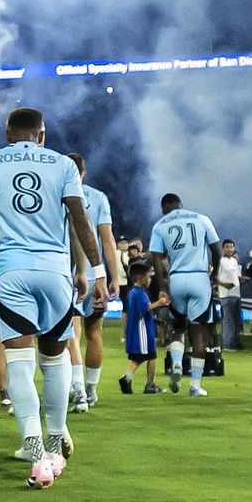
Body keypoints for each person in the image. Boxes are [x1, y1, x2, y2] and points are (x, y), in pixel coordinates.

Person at [0, 108, 105, 482]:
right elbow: (78, 218)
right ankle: (55, 449)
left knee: (20, 362)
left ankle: (35, 451)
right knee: (54, 361)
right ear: (42, 134)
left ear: (8, 133)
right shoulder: (63, 165)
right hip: (56, 274)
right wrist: (95, 271)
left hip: (12, 274)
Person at [148, 193, 222, 396]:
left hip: (177, 278)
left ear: (165, 207)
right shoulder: (201, 218)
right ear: (181, 204)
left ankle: (178, 364)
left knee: (178, 328)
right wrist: (214, 273)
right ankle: (195, 386)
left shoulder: (160, 225)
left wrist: (162, 286)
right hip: (199, 278)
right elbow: (217, 250)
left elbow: (155, 258)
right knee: (199, 333)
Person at [66, 152, 119, 412]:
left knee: (72, 334)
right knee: (94, 332)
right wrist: (113, 277)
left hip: (69, 274)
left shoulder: (58, 195)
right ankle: (90, 388)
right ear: (84, 173)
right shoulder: (98, 197)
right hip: (95, 276)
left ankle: (77, 390)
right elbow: (107, 239)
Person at [119, 260, 169, 393]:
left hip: (141, 330)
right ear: (141, 278)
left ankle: (129, 378)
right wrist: (160, 303)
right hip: (142, 332)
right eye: (149, 276)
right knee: (150, 356)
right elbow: (144, 309)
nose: (150, 279)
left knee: (141, 358)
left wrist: (156, 321)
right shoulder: (139, 293)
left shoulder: (134, 292)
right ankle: (148, 384)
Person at [217, 240, 245, 351]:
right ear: (222, 248)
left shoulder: (234, 260)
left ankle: (236, 343)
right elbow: (214, 277)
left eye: (231, 247)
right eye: (227, 247)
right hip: (226, 294)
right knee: (228, 320)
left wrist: (245, 279)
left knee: (237, 321)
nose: (229, 249)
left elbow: (237, 275)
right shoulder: (219, 261)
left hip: (236, 293)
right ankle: (227, 344)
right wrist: (224, 284)